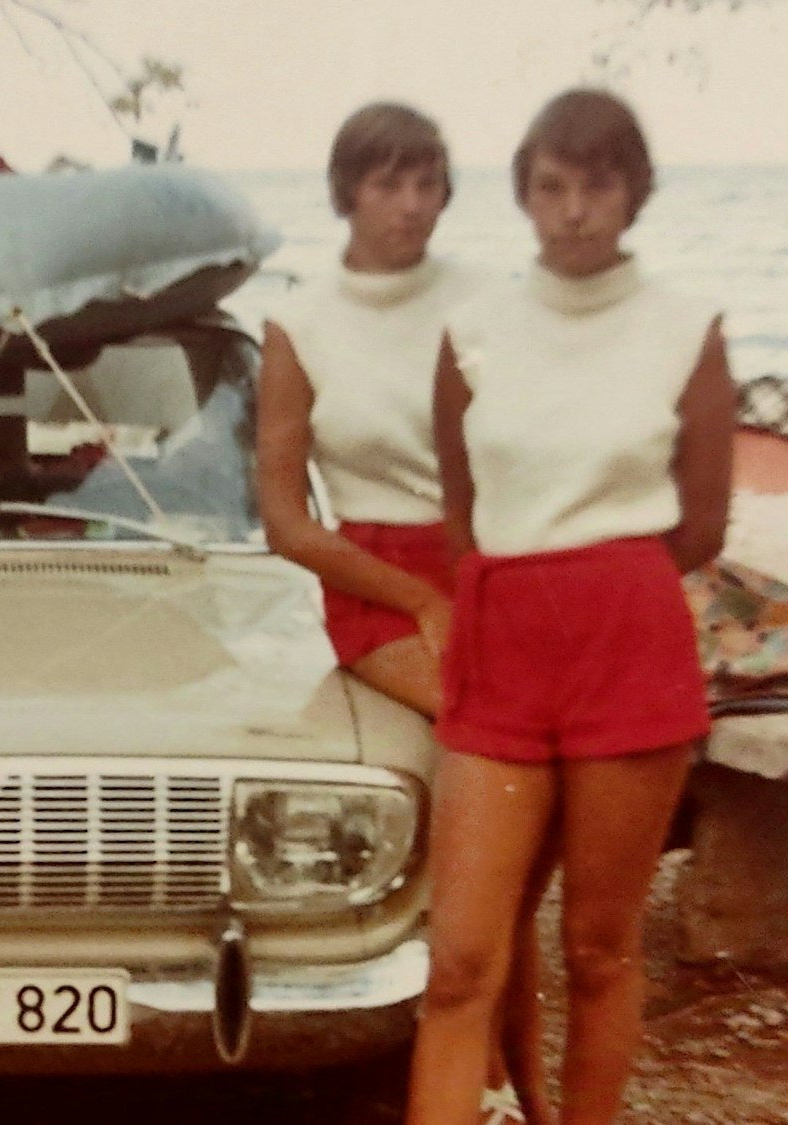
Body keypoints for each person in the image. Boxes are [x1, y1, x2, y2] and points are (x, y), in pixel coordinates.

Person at [406, 89, 735, 1125]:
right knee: (460, 957)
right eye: (551, 186)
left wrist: (598, 577)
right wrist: (523, 586)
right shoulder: (471, 331)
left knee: (598, 949)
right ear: (523, 196)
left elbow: (703, 524)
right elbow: (461, 512)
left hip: (625, 645)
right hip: (502, 644)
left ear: (633, 193)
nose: (574, 211)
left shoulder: (686, 330)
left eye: (597, 185)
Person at [255, 102, 550, 1125]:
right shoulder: (300, 319)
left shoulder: (485, 298)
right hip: (376, 583)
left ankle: (512, 1082)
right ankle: (493, 1083)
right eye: (386, 184)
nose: (410, 207)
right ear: (345, 192)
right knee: (508, 754)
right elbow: (285, 523)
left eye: (427, 184)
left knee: (519, 841)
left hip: (495, 563)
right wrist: (419, 597)